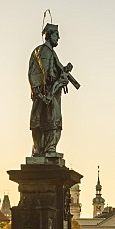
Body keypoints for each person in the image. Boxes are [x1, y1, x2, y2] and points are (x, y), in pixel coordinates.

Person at [28, 23, 77, 157]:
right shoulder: (44, 51)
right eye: (56, 35)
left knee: (47, 121)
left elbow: (54, 70)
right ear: (49, 36)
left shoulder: (49, 52)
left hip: (48, 94)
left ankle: (43, 150)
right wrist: (60, 80)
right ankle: (47, 149)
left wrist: (64, 70)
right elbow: (47, 75)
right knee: (50, 121)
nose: (58, 38)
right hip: (46, 94)